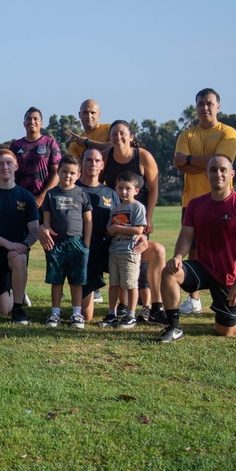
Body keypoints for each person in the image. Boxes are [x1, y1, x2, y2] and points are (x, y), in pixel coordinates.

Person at [159, 156, 236, 342]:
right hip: (203, 267)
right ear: (206, 174)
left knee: (225, 331)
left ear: (231, 174)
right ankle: (174, 328)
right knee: (169, 272)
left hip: (230, 275)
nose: (218, 174)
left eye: (223, 170)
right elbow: (186, 236)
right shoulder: (196, 204)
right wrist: (178, 256)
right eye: (213, 170)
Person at [173, 88, 236, 315]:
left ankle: (233, 292)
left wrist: (191, 160)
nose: (205, 107)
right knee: (193, 249)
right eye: (201, 103)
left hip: (223, 200)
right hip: (193, 200)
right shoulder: (186, 135)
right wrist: (207, 162)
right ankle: (194, 299)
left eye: (209, 103)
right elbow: (180, 166)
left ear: (218, 106)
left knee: (228, 249)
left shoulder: (228, 133)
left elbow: (223, 162)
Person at [101, 120, 164, 320]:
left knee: (144, 259)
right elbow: (97, 182)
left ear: (131, 136)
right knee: (122, 262)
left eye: (122, 134)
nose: (118, 138)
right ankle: (123, 306)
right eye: (113, 134)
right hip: (117, 217)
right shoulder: (105, 157)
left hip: (139, 217)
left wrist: (149, 218)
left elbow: (153, 188)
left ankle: (154, 306)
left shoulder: (143, 156)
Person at [0, 149, 39, 325]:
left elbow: (34, 230)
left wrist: (23, 246)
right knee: (2, 310)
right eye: (0, 163)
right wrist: (7, 244)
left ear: (16, 166)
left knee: (19, 258)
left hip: (17, 251)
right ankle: (15, 290)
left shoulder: (26, 197)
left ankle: (18, 308)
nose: (5, 167)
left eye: (9, 163)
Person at [38, 155, 92, 328]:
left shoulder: (82, 194)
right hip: (56, 243)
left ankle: (77, 314)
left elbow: (88, 221)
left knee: (77, 280)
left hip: (76, 242)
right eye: (64, 172)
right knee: (56, 279)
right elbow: (46, 220)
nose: (68, 176)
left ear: (78, 174)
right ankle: (55, 313)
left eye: (72, 173)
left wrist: (86, 245)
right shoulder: (51, 195)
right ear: (58, 172)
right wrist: (47, 230)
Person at [77, 147, 120, 322]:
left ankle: (141, 308)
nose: (92, 164)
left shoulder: (111, 193)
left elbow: (123, 220)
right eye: (88, 160)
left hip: (109, 249)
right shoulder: (73, 189)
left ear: (102, 165)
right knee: (87, 317)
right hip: (85, 252)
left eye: (96, 161)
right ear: (82, 164)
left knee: (152, 252)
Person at [105, 171, 147, 328]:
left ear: (135, 190)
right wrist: (114, 229)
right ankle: (111, 313)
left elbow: (139, 230)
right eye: (120, 188)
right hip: (114, 251)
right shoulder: (115, 209)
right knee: (114, 284)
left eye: (128, 188)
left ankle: (130, 315)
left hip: (129, 252)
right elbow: (109, 229)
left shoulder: (137, 207)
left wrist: (117, 228)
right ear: (116, 188)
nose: (123, 191)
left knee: (130, 285)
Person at [11, 106, 62, 209]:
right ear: (24, 123)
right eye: (28, 119)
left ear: (41, 123)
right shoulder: (15, 145)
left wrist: (42, 196)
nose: (32, 121)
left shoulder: (49, 143)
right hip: (19, 199)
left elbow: (57, 173)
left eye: (36, 119)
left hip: (43, 201)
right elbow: (9, 172)